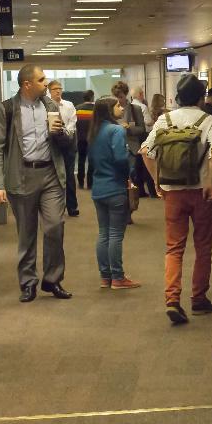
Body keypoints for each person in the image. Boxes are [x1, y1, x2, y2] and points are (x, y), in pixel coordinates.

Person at [0, 64, 74, 302]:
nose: (47, 83)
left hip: (50, 175)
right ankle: (28, 283)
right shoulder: (8, 109)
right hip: (22, 176)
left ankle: (52, 280)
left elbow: (67, 142)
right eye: (42, 79)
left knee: (55, 226)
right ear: (27, 84)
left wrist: (60, 134)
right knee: (26, 234)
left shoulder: (50, 105)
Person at [141, 74, 212, 323]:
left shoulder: (164, 120)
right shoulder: (208, 119)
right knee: (203, 246)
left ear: (176, 98)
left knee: (174, 247)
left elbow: (145, 150)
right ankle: (198, 299)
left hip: (172, 192)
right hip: (200, 192)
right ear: (201, 98)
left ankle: (172, 299)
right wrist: (209, 181)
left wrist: (157, 180)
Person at [87, 98, 140, 290]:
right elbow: (120, 158)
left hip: (98, 188)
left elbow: (92, 161)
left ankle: (105, 276)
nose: (121, 107)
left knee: (103, 233)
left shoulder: (94, 131)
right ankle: (118, 277)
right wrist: (129, 174)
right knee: (116, 234)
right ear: (110, 110)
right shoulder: (116, 130)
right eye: (117, 105)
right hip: (115, 187)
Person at [112, 81, 151, 199]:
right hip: (116, 146)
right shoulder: (111, 109)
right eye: (116, 97)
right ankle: (122, 197)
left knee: (132, 173)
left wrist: (129, 128)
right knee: (118, 175)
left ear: (126, 94)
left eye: (121, 97)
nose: (119, 100)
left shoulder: (136, 109)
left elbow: (141, 129)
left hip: (132, 147)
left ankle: (131, 198)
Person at [47, 80, 79, 216]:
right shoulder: (45, 105)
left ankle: (72, 207)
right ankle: (57, 207)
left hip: (68, 144)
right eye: (55, 89)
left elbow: (73, 122)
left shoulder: (69, 105)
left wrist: (65, 132)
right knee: (55, 177)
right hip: (52, 145)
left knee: (70, 176)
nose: (58, 91)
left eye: (59, 88)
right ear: (49, 90)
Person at [75, 90, 95, 189]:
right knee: (91, 161)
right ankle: (90, 183)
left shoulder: (78, 109)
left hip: (80, 139)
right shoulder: (95, 109)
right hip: (92, 139)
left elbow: (75, 125)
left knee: (81, 160)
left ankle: (80, 182)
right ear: (92, 97)